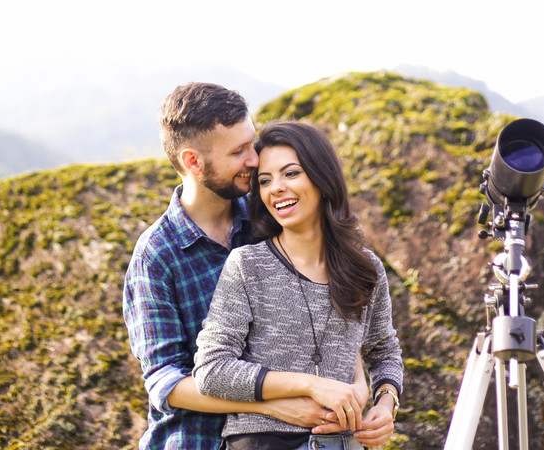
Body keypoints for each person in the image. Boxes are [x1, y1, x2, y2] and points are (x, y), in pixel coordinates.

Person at [123, 84, 375, 450]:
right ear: (193, 162)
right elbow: (166, 382)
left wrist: (363, 390)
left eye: (251, 144)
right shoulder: (156, 255)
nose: (254, 160)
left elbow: (334, 310)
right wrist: (275, 406)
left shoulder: (269, 218)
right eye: (238, 151)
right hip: (195, 441)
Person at [192, 120, 402, 450]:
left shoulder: (365, 268)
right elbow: (211, 370)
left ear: (322, 179)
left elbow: (384, 350)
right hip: (261, 442)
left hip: (343, 443)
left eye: (291, 173)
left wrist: (386, 405)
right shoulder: (248, 266)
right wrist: (310, 385)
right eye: (265, 180)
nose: (276, 187)